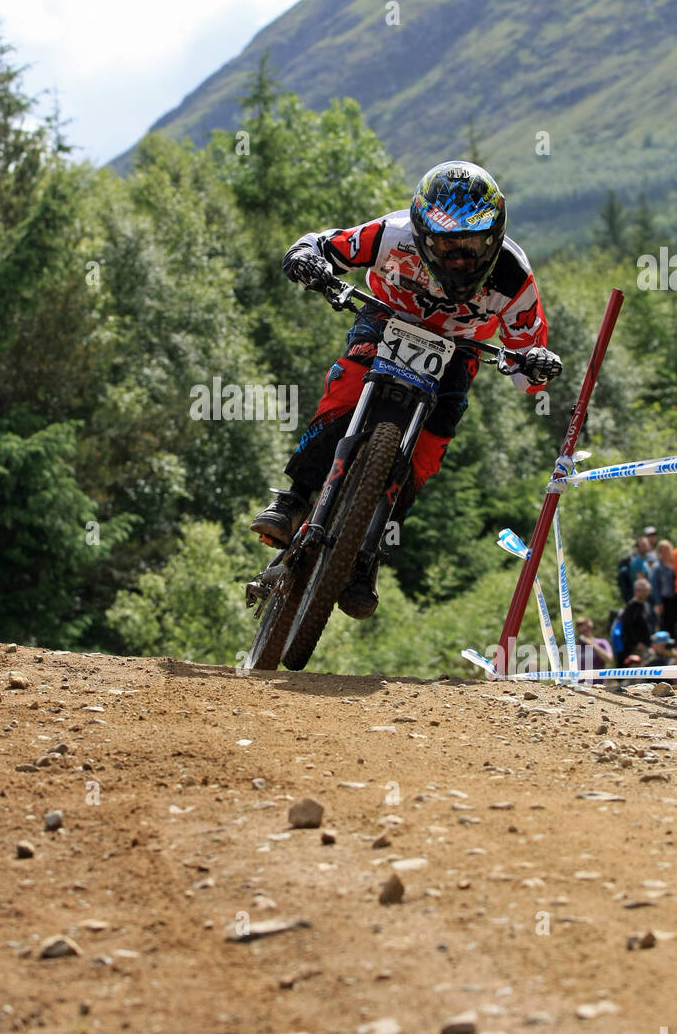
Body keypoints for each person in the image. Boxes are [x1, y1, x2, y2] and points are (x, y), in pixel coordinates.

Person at [249, 160, 563, 618]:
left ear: (495, 238)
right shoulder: (390, 234)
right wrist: (306, 260)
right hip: (385, 318)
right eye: (445, 244)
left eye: (472, 245)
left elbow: (527, 356)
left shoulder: (516, 280)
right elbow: (323, 244)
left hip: (458, 350)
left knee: (428, 452)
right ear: (420, 234)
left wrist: (536, 366)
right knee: (345, 388)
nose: (459, 258)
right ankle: (294, 497)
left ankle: (366, 557)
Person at [615, 577, 656, 665]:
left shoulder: (647, 606)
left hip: (648, 646)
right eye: (639, 590)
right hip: (634, 649)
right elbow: (626, 628)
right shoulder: (631, 608)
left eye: (645, 590)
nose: (642, 592)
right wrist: (636, 644)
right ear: (635, 591)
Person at [651, 538, 676, 634]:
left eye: (667, 549)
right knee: (667, 624)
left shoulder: (675, 563)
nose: (665, 552)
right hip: (665, 599)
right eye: (662, 550)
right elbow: (655, 586)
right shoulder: (657, 567)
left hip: (675, 597)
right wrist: (658, 603)